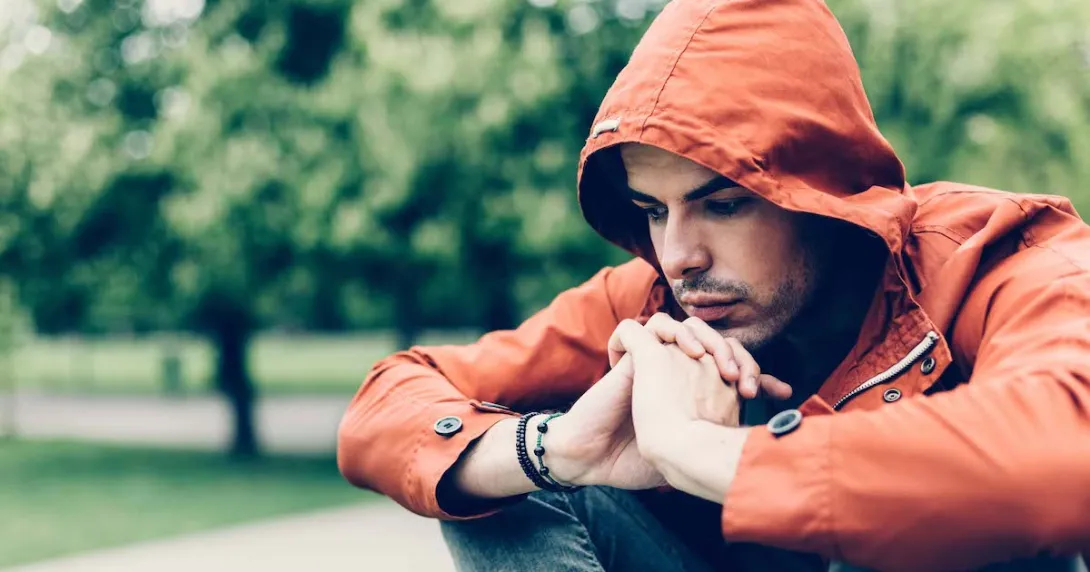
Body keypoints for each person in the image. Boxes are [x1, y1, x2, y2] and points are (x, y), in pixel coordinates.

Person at [336, 0, 1090, 570]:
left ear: (820, 190)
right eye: (652, 211)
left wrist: (695, 452)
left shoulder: (1002, 256)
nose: (678, 255)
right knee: (502, 493)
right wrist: (555, 446)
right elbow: (390, 400)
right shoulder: (651, 301)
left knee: (945, 512)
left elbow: (1066, 450)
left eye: (721, 203)